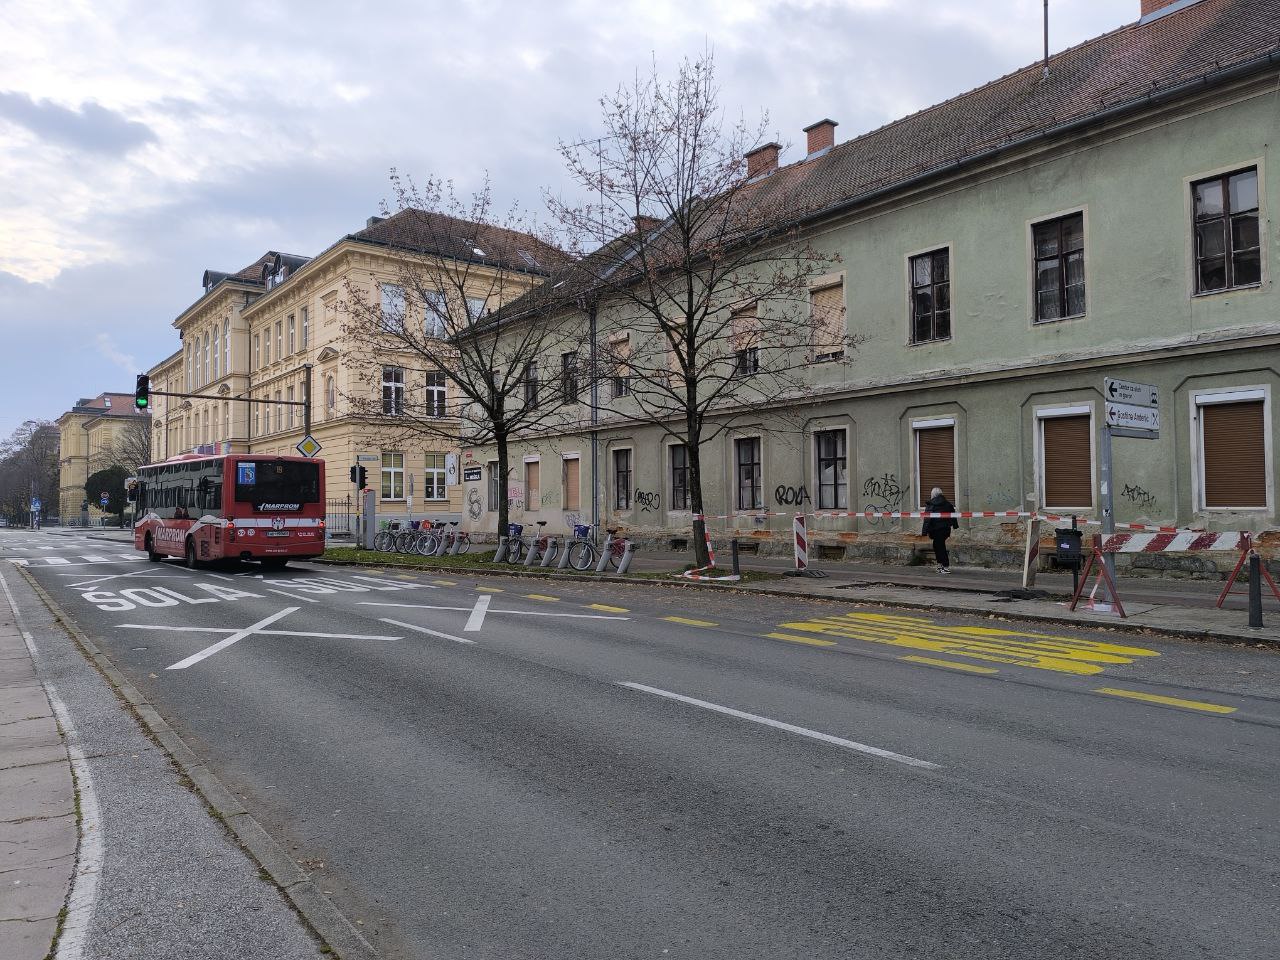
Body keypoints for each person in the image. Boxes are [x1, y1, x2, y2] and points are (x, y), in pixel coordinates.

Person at [921, 486, 959, 573]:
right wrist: (955, 525)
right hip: (945, 529)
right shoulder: (948, 504)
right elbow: (953, 516)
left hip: (935, 530)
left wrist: (925, 531)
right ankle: (940, 565)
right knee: (938, 546)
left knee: (939, 547)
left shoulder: (931, 504)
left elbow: (927, 519)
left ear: (932, 494)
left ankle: (945, 566)